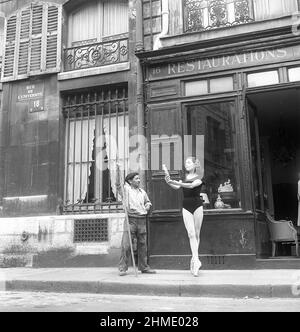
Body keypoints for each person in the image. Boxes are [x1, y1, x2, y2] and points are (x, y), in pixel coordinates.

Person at [164, 157, 204, 277]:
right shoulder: (184, 177)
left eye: (188, 162)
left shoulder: (199, 177)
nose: (186, 164)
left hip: (197, 205)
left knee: (197, 234)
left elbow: (191, 186)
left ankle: (194, 259)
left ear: (194, 164)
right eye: (185, 162)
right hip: (186, 206)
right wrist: (169, 181)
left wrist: (177, 182)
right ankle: (196, 261)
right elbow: (177, 187)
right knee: (191, 234)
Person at [118, 172, 156, 276]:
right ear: (130, 181)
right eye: (136, 178)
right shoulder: (126, 190)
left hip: (142, 219)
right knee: (126, 244)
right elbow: (118, 185)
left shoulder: (142, 192)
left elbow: (147, 202)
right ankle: (122, 268)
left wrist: (147, 206)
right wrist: (117, 171)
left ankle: (144, 267)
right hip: (130, 219)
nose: (139, 180)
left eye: (139, 178)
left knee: (143, 245)